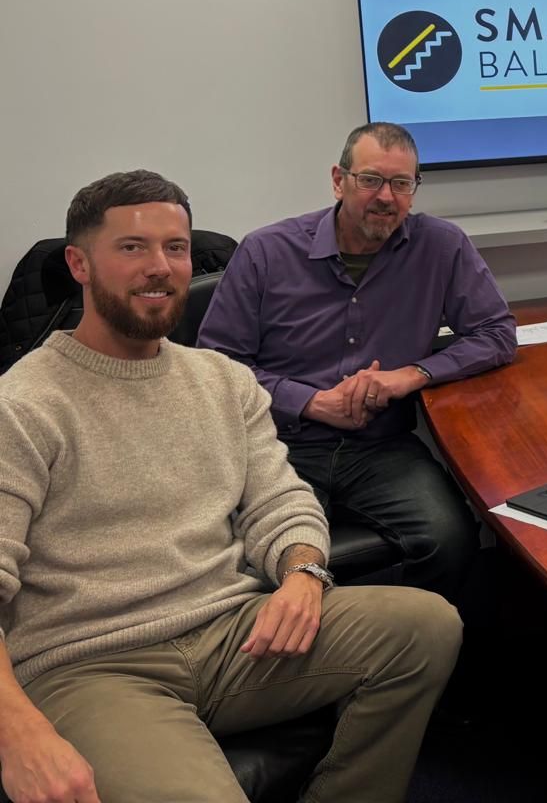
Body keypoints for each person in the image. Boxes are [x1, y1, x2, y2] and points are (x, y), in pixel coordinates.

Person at [0, 170, 461, 803]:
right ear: (79, 263)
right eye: (132, 248)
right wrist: (17, 733)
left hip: (232, 634)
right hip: (94, 665)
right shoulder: (23, 404)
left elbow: (281, 498)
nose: (160, 267)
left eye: (176, 247)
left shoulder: (222, 379)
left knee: (426, 627)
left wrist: (304, 574)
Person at [198, 122, 516, 598]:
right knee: (257, 563)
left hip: (380, 446)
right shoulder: (267, 251)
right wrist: (310, 402)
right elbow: (216, 362)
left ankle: (400, 643)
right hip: (280, 444)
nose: (386, 196)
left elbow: (497, 333)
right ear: (338, 180)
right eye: (371, 180)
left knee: (450, 541)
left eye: (401, 184)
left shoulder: (441, 246)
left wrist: (412, 375)